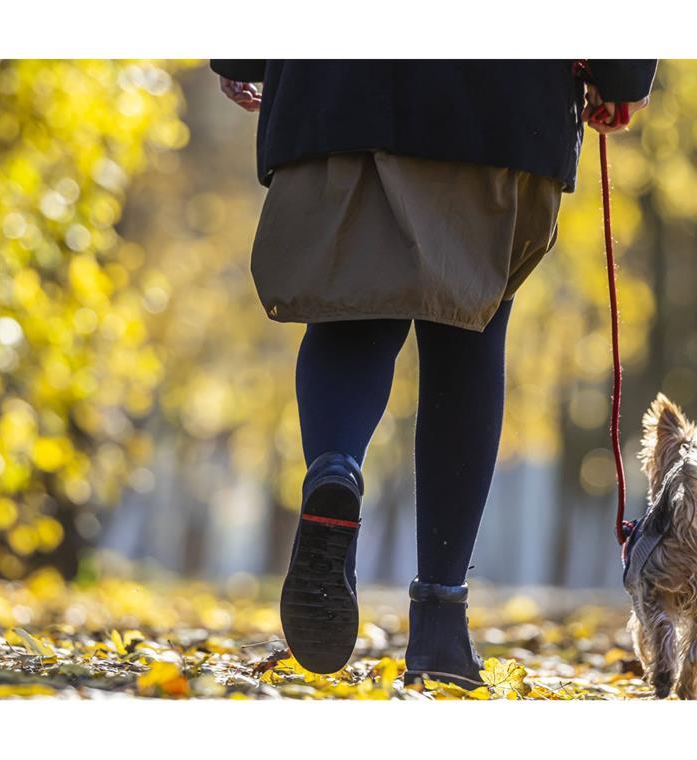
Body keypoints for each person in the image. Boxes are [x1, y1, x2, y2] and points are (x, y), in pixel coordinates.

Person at [212, 59, 657, 688]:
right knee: (470, 328)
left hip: (338, 81)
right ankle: (441, 629)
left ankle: (335, 470)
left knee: (350, 311)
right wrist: (619, 74)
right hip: (500, 94)